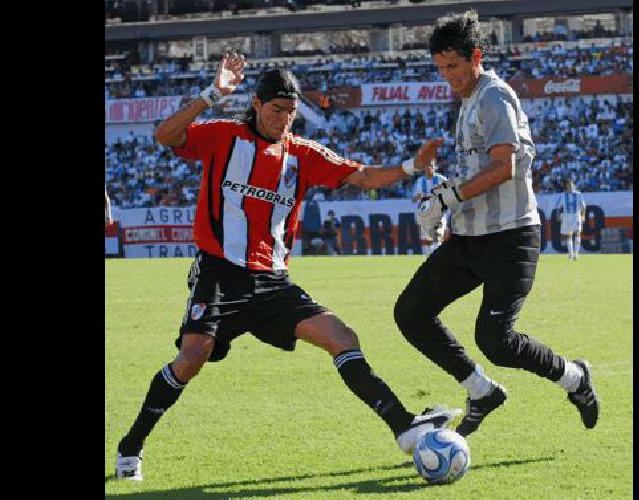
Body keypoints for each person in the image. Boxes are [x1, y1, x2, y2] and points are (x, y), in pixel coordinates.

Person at [113, 53, 454, 481]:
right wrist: (212, 94)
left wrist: (410, 167)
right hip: (220, 273)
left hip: (273, 282)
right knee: (191, 357)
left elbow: (363, 176)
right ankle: (131, 447)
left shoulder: (302, 154)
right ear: (256, 104)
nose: (284, 120)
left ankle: (404, 429)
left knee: (341, 336)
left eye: (291, 112)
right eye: (277, 110)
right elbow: (165, 135)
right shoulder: (223, 136)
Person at [398, 10, 600, 439]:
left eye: (453, 66)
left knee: (496, 341)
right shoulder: (470, 100)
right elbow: (476, 169)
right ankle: (481, 390)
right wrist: (450, 213)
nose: (447, 76)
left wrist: (447, 196)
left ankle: (575, 378)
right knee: (411, 313)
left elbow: (503, 167)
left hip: (511, 238)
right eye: (440, 69)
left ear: (476, 56)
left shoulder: (493, 96)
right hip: (471, 237)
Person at [409, 164, 448, 255]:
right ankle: (430, 257)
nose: (429, 168)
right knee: (428, 239)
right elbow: (413, 199)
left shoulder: (441, 179)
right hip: (426, 214)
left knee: (438, 235)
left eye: (431, 165)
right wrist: (417, 197)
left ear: (435, 167)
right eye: (426, 166)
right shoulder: (420, 181)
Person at [558, 178, 586, 261]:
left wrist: (583, 216)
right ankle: (570, 254)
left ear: (573, 185)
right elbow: (558, 206)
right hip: (566, 216)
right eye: (568, 185)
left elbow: (583, 206)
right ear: (566, 186)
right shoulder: (563, 195)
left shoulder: (578, 194)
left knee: (577, 233)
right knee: (569, 235)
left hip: (576, 216)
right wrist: (558, 215)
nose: (570, 186)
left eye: (571, 185)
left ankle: (576, 254)